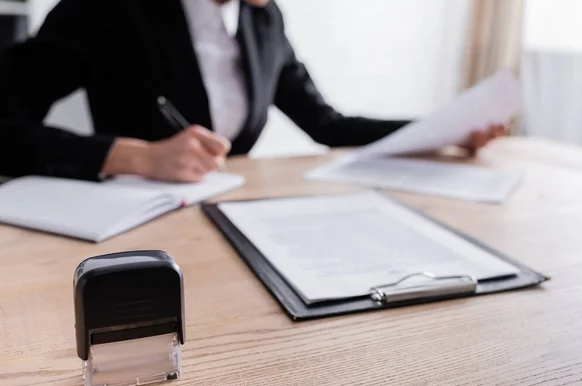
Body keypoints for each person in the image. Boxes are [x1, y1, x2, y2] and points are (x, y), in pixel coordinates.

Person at [0, 0, 506, 183]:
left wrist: (441, 131)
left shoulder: (264, 19)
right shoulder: (106, 10)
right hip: (138, 236)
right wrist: (137, 157)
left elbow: (327, 124)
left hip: (234, 220)